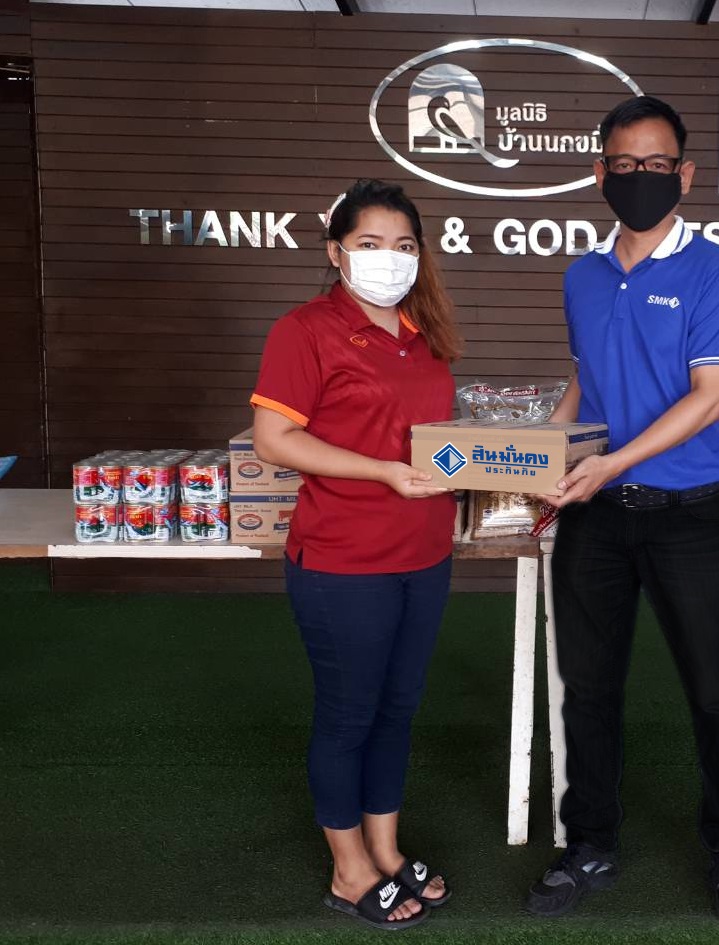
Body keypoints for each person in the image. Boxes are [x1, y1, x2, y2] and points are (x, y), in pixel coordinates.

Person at [524, 96, 719, 925]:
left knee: (714, 690)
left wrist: (611, 462)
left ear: (684, 175)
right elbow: (585, 381)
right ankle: (588, 841)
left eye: (656, 165)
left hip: (688, 515)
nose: (639, 178)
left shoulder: (715, 271)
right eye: (623, 165)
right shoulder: (581, 276)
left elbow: (709, 396)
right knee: (587, 689)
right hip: (595, 518)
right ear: (599, 172)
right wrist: (543, 454)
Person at [251, 179, 461, 931]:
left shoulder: (422, 332)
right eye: (370, 243)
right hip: (343, 559)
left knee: (397, 709)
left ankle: (385, 849)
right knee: (349, 714)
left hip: (424, 553)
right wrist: (381, 472)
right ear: (336, 251)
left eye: (403, 245)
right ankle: (348, 871)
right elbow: (274, 440)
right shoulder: (305, 330)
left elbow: (432, 439)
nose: (388, 258)